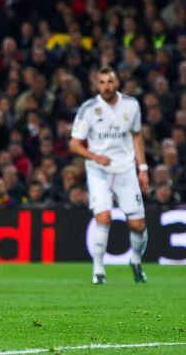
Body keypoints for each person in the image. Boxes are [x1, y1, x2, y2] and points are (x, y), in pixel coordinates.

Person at [69, 66, 150, 285]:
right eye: (102, 82)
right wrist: (95, 157)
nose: (107, 86)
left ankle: (135, 261)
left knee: (138, 225)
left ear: (118, 83)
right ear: (97, 85)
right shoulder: (89, 108)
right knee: (103, 218)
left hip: (125, 170)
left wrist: (142, 169)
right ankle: (98, 271)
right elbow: (74, 144)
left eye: (110, 81)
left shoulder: (132, 105)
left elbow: (137, 136)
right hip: (99, 171)